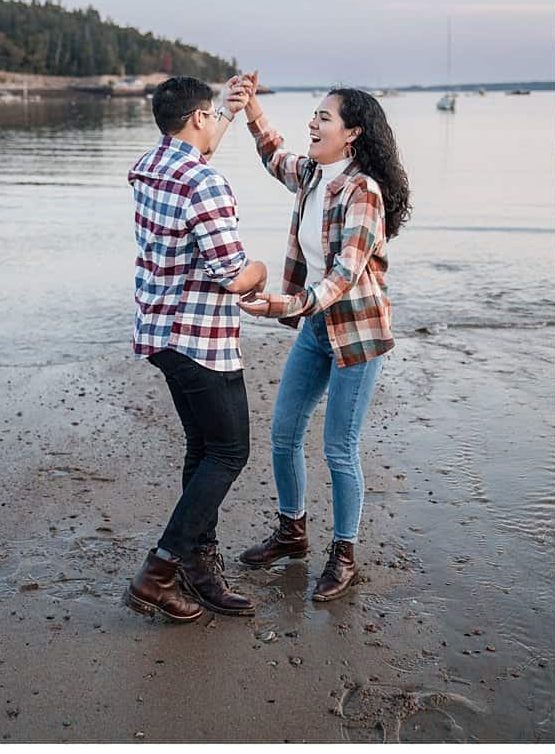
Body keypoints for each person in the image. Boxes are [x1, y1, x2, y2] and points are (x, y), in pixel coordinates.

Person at [229, 77, 409, 603]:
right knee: (283, 431)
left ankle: (344, 553)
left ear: (352, 133)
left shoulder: (363, 193)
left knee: (339, 448)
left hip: (358, 335)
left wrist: (281, 304)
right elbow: (272, 155)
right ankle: (292, 533)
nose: (313, 123)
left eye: (324, 117)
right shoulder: (310, 173)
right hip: (315, 328)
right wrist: (251, 108)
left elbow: (344, 276)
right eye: (314, 115)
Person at [124, 76, 269, 621]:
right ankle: (158, 572)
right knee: (230, 452)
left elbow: (192, 156)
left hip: (158, 332)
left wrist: (227, 113)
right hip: (200, 339)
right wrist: (261, 272)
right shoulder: (205, 183)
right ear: (197, 117)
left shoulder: (147, 166)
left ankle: (197, 562)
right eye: (211, 115)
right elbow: (233, 275)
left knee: (202, 448)